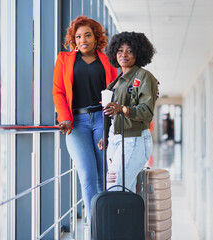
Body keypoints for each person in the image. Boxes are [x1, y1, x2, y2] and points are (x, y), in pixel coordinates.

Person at [52, 15, 117, 219]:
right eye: (78, 36)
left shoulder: (107, 61)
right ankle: (95, 226)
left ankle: (108, 221)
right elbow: (58, 91)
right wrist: (64, 117)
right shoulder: (64, 59)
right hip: (76, 123)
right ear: (73, 40)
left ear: (96, 37)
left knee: (104, 175)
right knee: (87, 176)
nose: (83, 40)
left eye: (87, 35)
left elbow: (117, 89)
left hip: (101, 120)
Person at [98, 31, 159, 192]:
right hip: (116, 139)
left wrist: (122, 109)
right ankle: (130, 218)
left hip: (134, 139)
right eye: (120, 50)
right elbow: (113, 114)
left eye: (129, 51)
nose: (123, 54)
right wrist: (107, 134)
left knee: (115, 187)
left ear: (138, 53)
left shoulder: (144, 77)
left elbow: (146, 111)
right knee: (125, 190)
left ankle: (116, 218)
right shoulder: (117, 81)